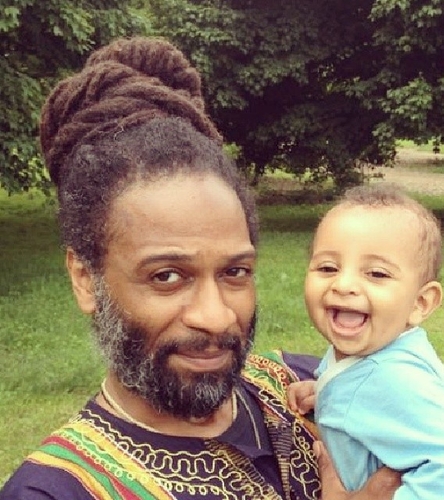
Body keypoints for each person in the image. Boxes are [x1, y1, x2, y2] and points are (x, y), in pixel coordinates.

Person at [0, 37, 400, 499]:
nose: (216, 317)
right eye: (166, 276)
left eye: (235, 272)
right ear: (85, 279)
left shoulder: (309, 388)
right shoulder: (56, 491)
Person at [288, 184, 444, 500]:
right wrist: (324, 392)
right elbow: (366, 397)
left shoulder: (393, 379)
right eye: (328, 267)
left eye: (377, 274)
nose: (344, 284)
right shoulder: (376, 355)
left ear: (420, 303)